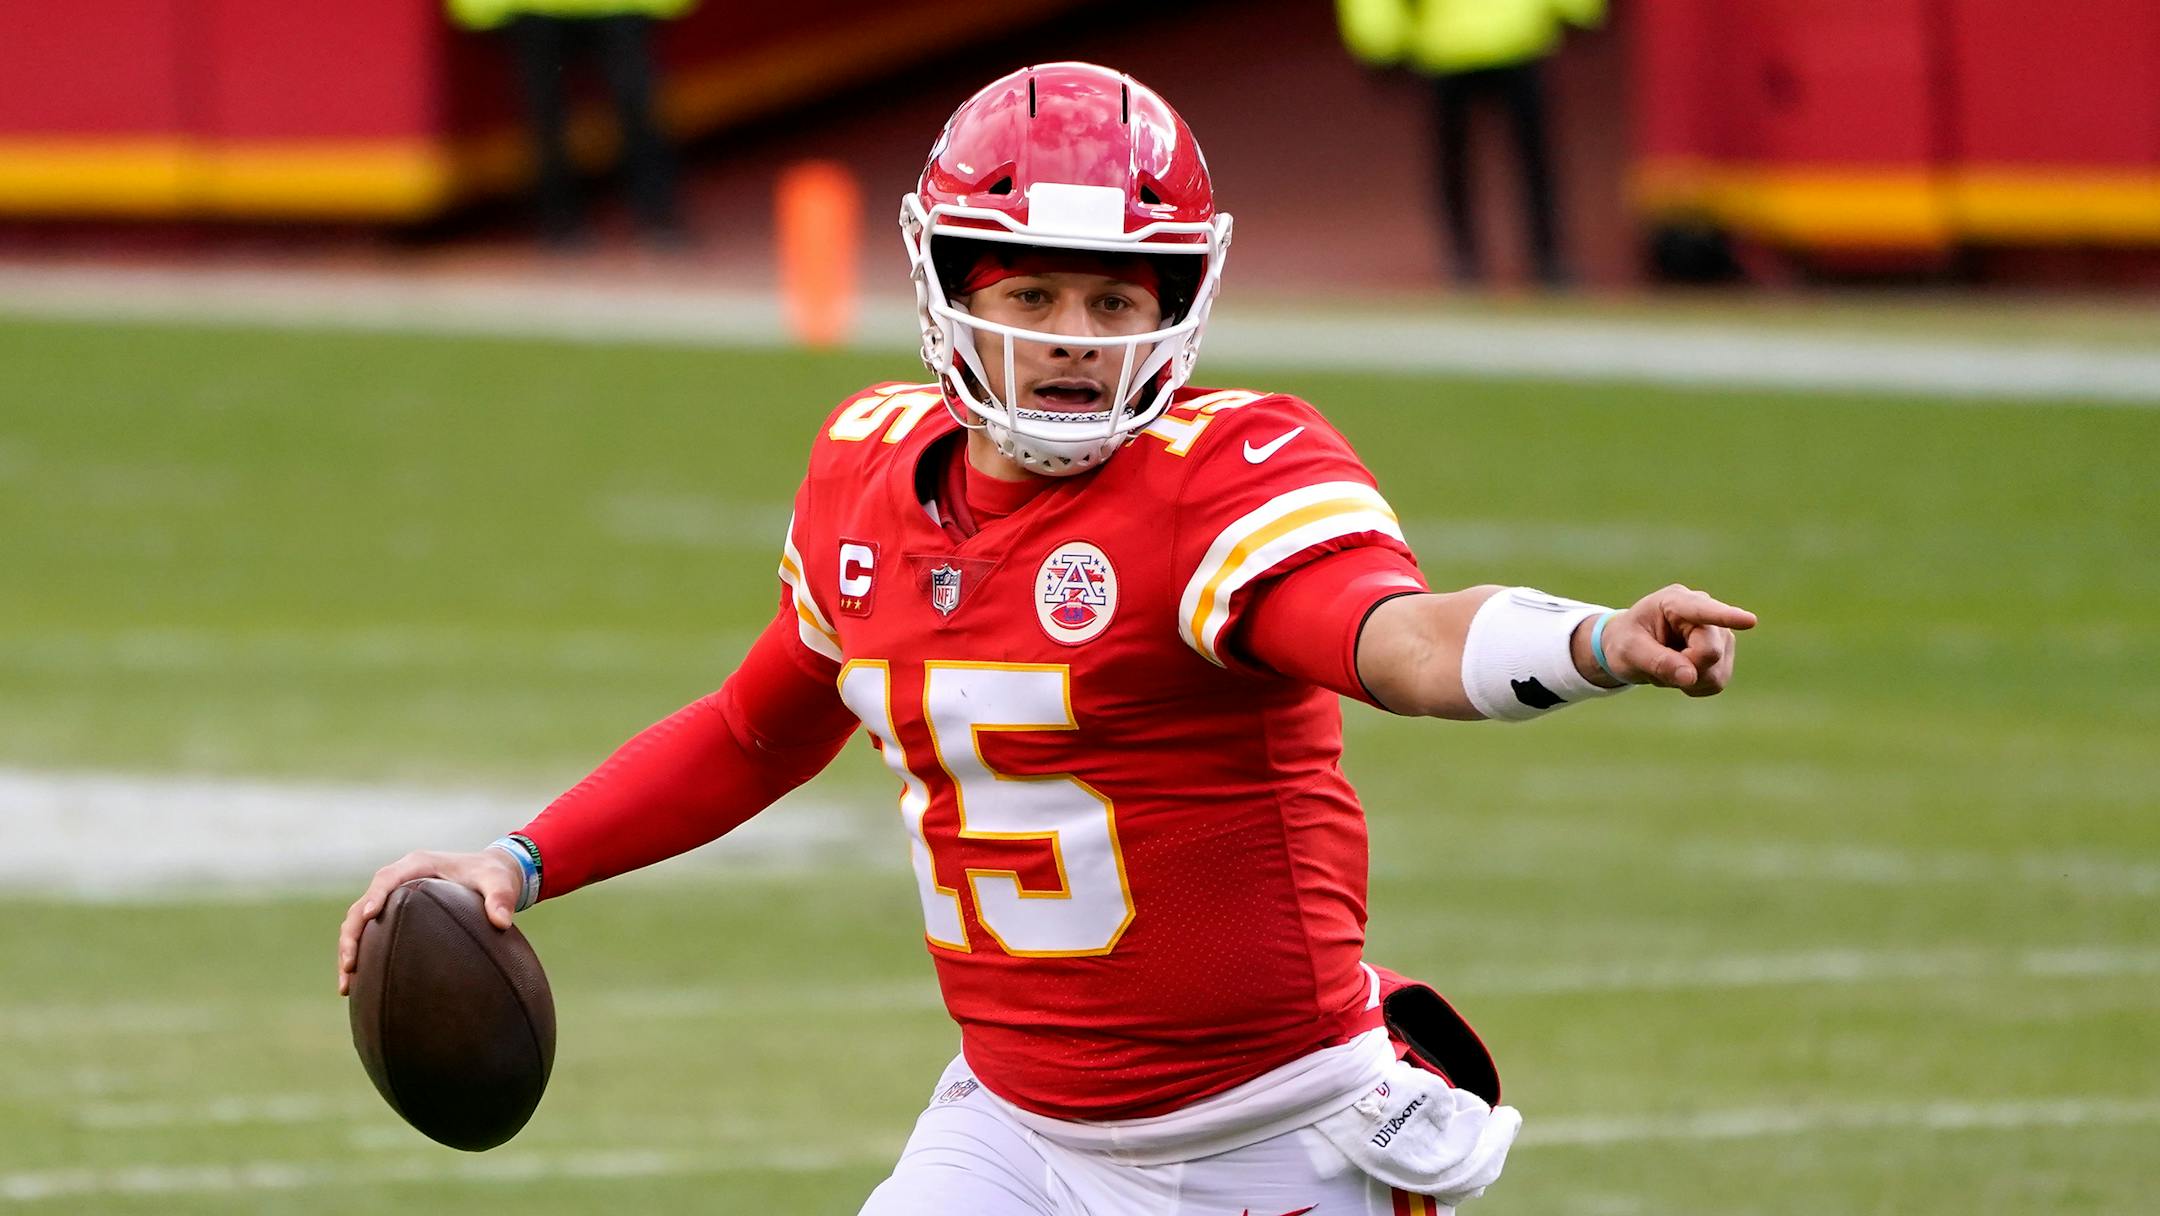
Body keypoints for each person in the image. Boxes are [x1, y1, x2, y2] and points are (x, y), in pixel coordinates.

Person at [337, 61, 1753, 1214]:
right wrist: (518, 859)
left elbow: (1398, 645)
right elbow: (751, 730)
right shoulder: (865, 474)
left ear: (1175, 306)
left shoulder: (1223, 475)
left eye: (1114, 298)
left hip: (1270, 1142)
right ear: (952, 285)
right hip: (1014, 1137)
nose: (1076, 335)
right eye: (1033, 293)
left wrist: (1592, 644)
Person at [1339, 0, 1606, 286]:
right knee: (1486, 162)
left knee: (1521, 161)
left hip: (1482, 41)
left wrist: (1381, 42)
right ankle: (1488, 257)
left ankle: (1525, 256)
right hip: (1477, 42)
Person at [446, 0, 695, 248]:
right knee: (547, 115)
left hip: (606, 9)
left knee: (634, 105)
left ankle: (656, 216)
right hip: (539, 12)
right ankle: (561, 223)